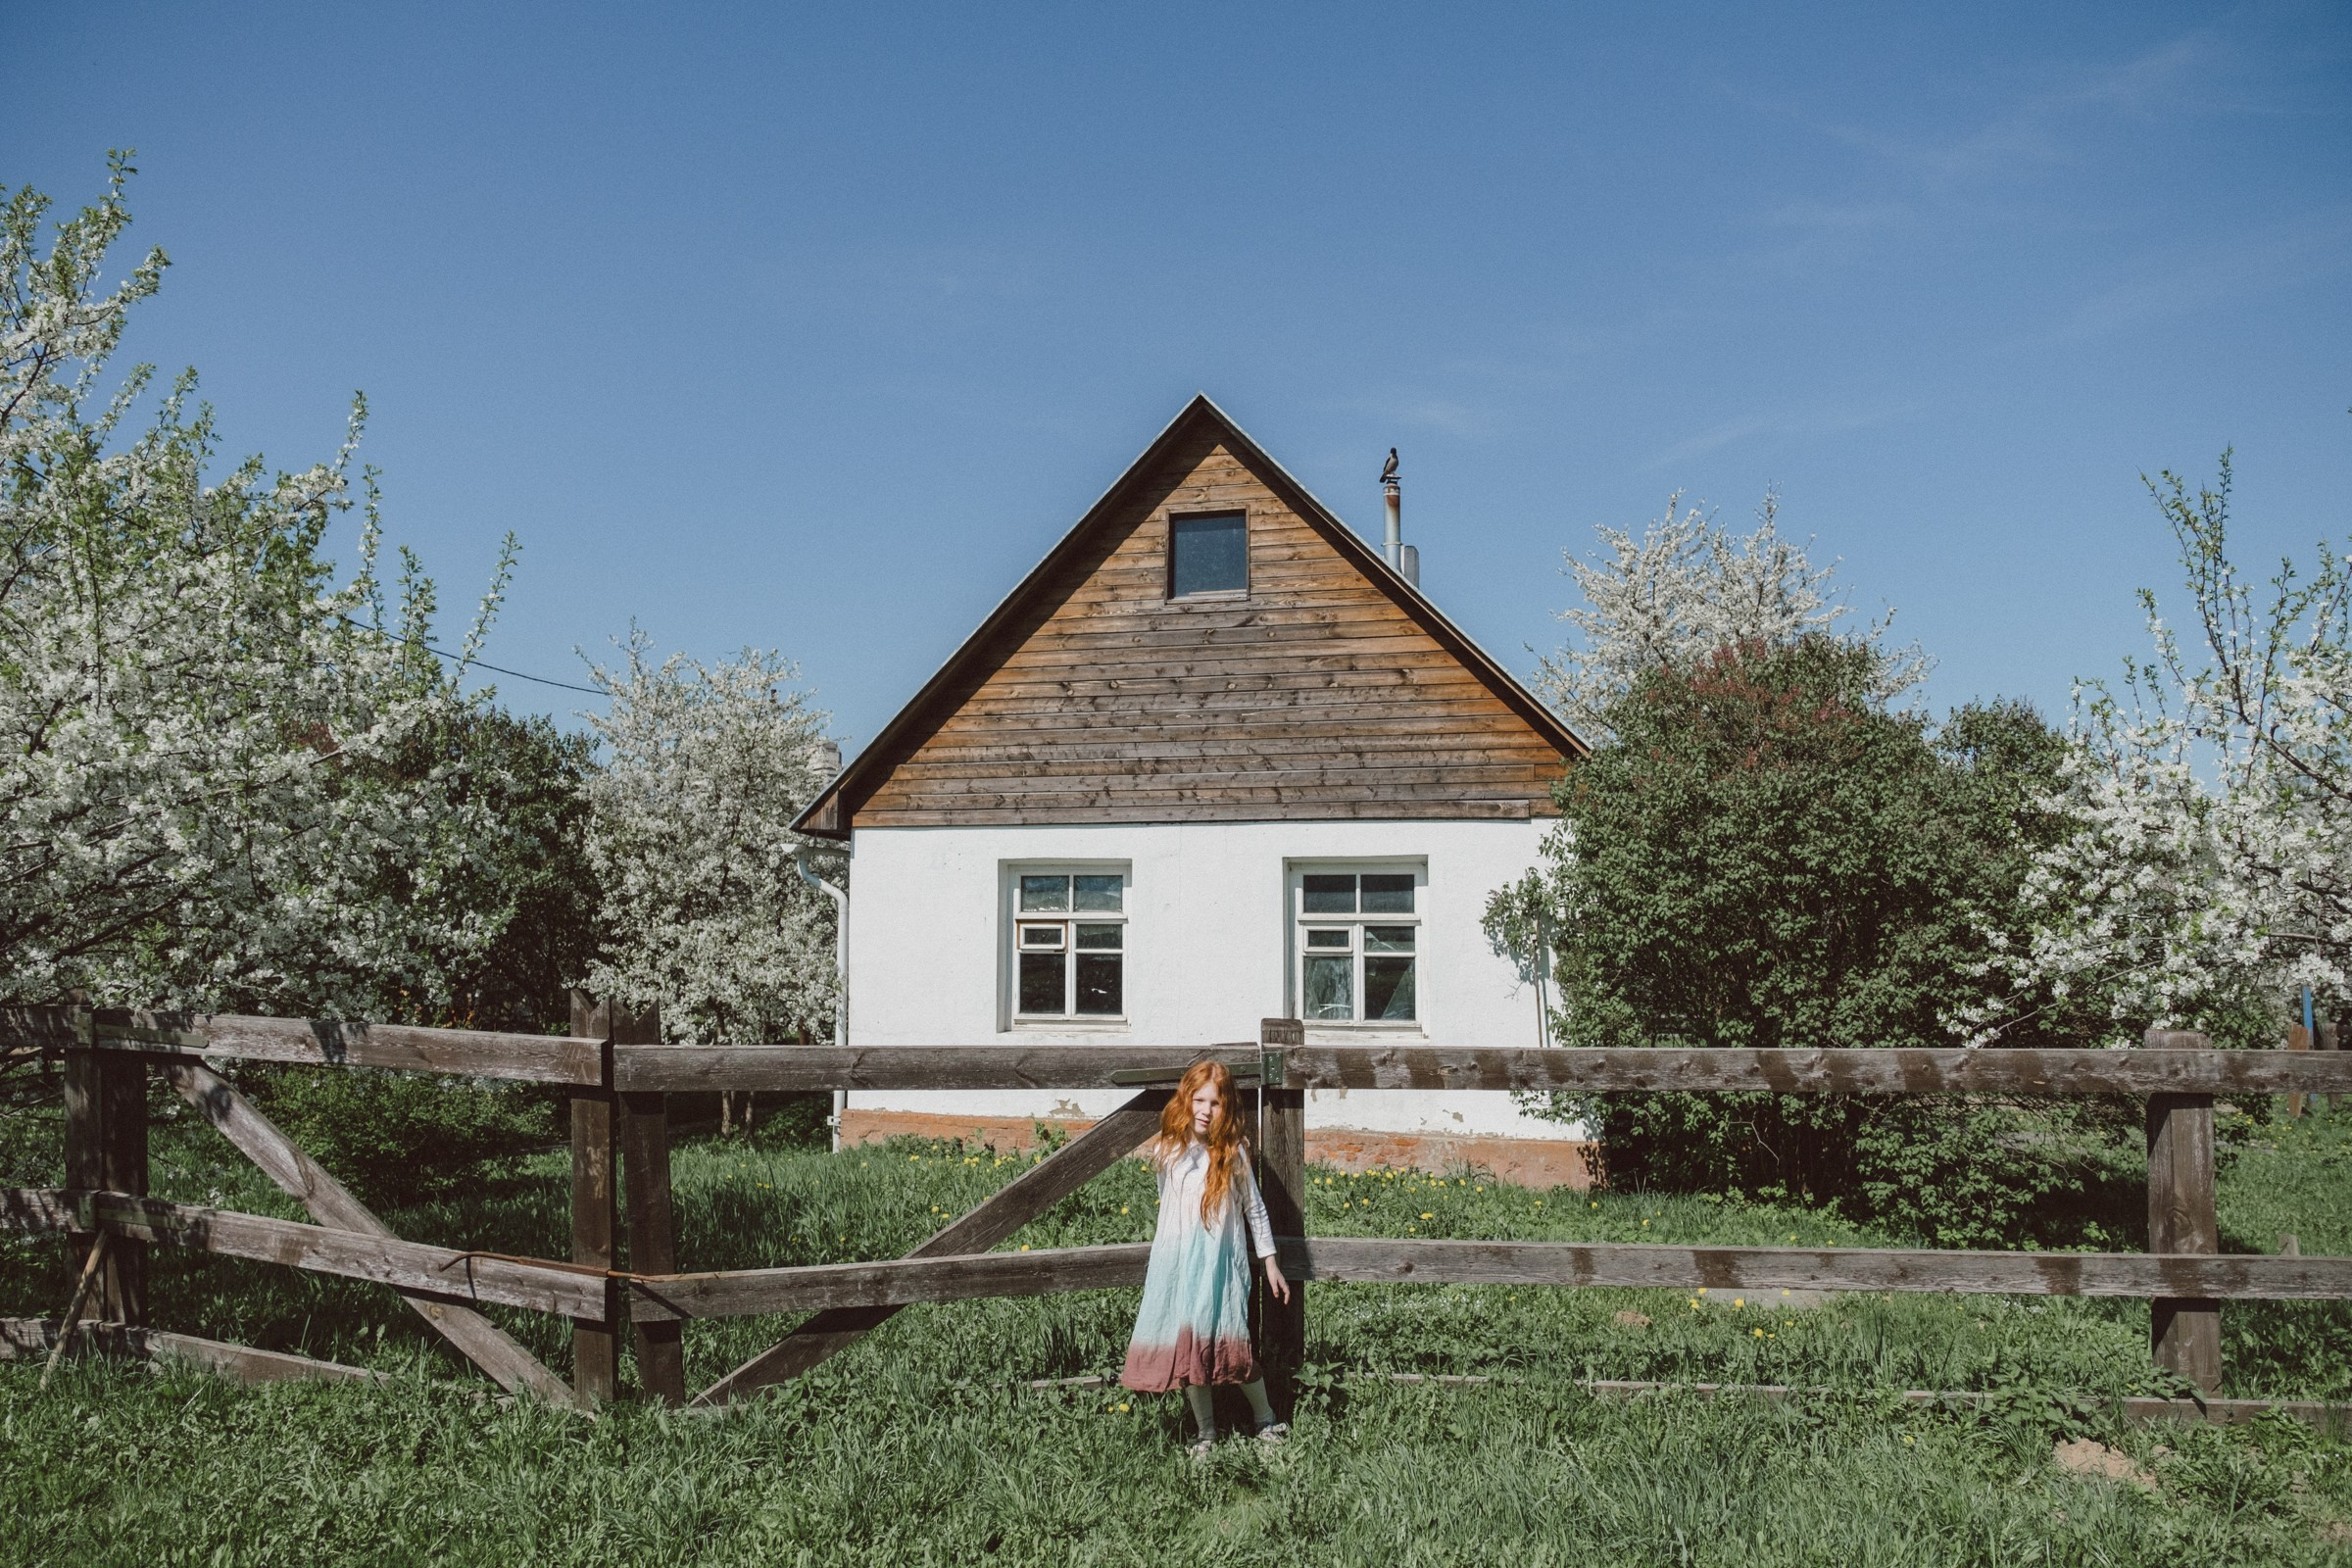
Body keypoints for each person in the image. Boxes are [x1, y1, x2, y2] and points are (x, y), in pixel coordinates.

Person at [1119, 1059, 1293, 1456]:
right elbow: (1167, 1203)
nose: (1205, 1110)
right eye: (1199, 1100)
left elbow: (1254, 1209)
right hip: (1180, 1266)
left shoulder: (1233, 1153)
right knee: (1189, 1350)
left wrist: (1269, 1261)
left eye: (1215, 1103)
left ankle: (1266, 1419)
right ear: (1186, 1099)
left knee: (1234, 1345)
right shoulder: (1168, 1149)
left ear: (1225, 1108)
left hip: (1220, 1267)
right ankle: (1206, 1433)